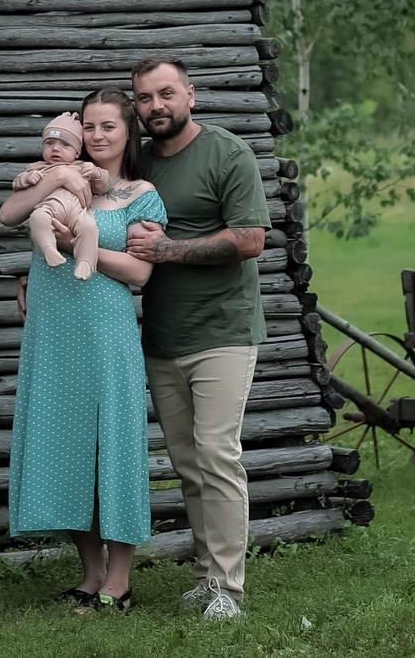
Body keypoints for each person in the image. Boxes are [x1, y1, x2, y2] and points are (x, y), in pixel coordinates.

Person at [0, 87, 167, 614]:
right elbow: (9, 214)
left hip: (105, 330)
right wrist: (54, 178)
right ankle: (91, 574)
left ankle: (120, 581)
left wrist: (77, 248)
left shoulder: (141, 194)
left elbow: (141, 273)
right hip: (52, 328)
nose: (96, 136)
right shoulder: (59, 173)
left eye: (107, 127)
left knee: (110, 446)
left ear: (127, 132)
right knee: (65, 442)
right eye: (89, 127)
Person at [124, 52, 270, 622]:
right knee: (186, 462)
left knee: (216, 454)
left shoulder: (227, 153)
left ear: (191, 95)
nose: (155, 106)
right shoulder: (137, 163)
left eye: (165, 94)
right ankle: (207, 574)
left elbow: (251, 238)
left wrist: (168, 251)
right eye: (144, 98)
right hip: (162, 335)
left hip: (223, 331)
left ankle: (229, 590)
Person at [20, 112, 107, 280]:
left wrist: (97, 173)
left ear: (77, 152)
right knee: (37, 218)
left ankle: (86, 262)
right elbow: (18, 182)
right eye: (49, 143)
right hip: (49, 209)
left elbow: (104, 186)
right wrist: (27, 178)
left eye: (65, 144)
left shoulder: (83, 167)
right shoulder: (37, 168)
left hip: (78, 212)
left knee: (89, 228)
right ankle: (48, 249)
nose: (56, 148)